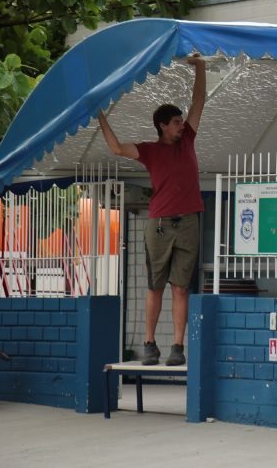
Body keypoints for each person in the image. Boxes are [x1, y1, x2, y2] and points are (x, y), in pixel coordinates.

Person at [98, 54, 206, 365]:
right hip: (158, 222)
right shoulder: (149, 150)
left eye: (181, 121)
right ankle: (149, 345)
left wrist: (199, 67)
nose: (181, 125)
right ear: (162, 126)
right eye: (175, 122)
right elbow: (117, 148)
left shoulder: (188, 141)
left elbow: (199, 101)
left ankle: (177, 348)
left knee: (181, 288)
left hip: (188, 221)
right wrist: (100, 116)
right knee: (155, 286)